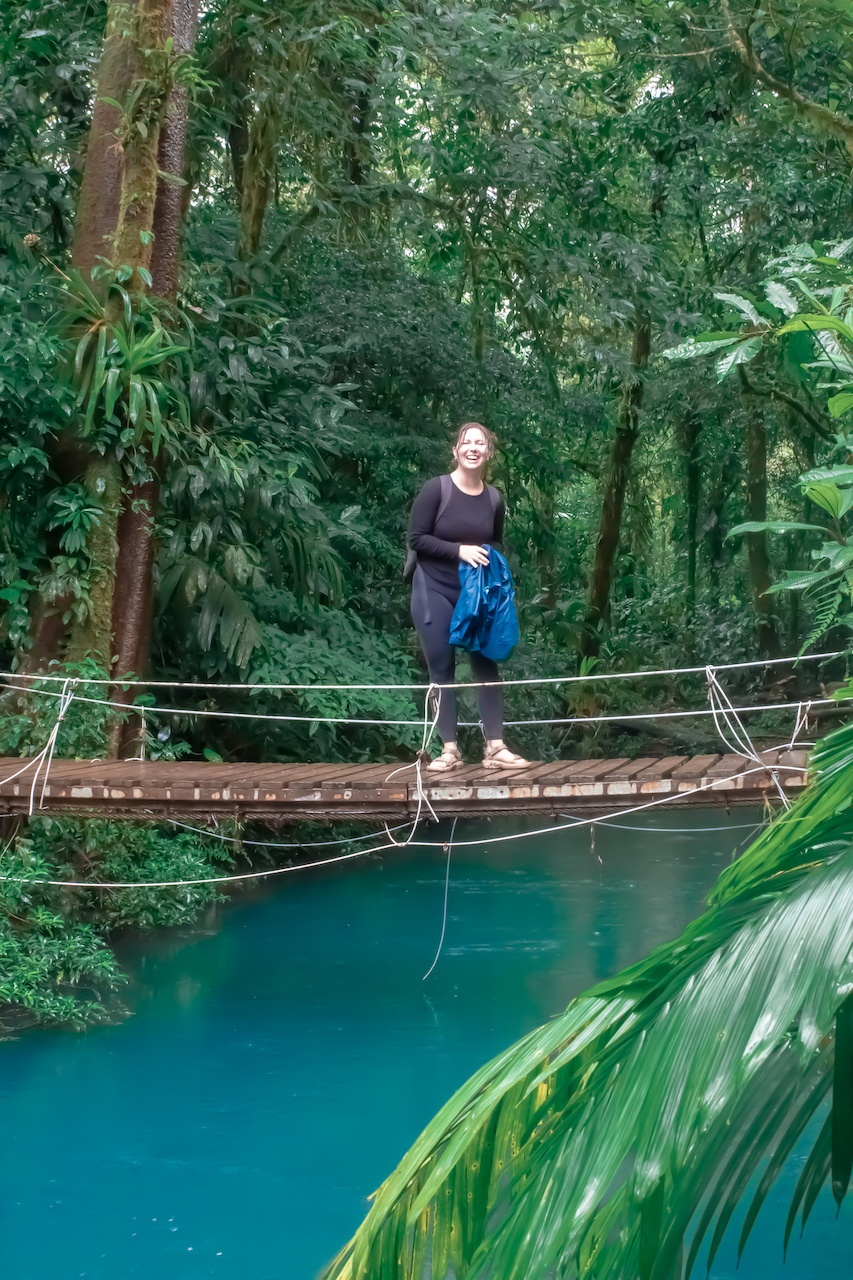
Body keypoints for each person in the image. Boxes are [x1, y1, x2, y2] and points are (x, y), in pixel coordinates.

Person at [408, 422, 529, 772]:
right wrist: (459, 550)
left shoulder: (494, 498)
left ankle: (495, 747)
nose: (473, 448)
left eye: (480, 443)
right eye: (466, 442)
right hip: (434, 587)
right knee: (441, 669)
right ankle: (449, 750)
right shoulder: (437, 490)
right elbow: (417, 538)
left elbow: (494, 541)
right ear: (456, 450)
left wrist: (488, 558)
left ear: (488, 453)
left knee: (485, 664)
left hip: (476, 592)